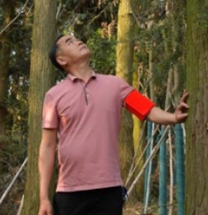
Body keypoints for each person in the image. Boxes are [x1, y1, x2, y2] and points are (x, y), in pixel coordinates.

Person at [38, 33, 189, 215]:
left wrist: (174, 117)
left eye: (78, 39)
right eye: (70, 42)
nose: (79, 41)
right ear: (61, 59)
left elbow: (147, 109)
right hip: (69, 192)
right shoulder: (54, 95)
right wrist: (43, 197)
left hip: (109, 189)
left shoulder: (115, 85)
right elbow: (47, 146)